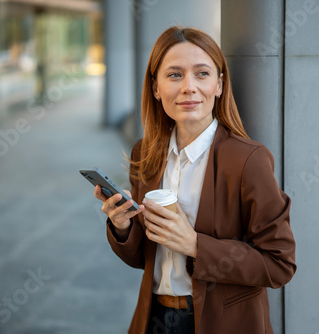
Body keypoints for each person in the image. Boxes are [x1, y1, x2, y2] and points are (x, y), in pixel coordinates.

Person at [94, 26, 296, 334]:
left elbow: (279, 265)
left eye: (202, 74)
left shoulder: (249, 161)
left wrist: (196, 245)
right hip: (155, 318)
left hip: (223, 324)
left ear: (219, 85)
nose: (189, 87)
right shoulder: (145, 153)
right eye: (174, 75)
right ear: (155, 87)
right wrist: (122, 227)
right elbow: (143, 259)